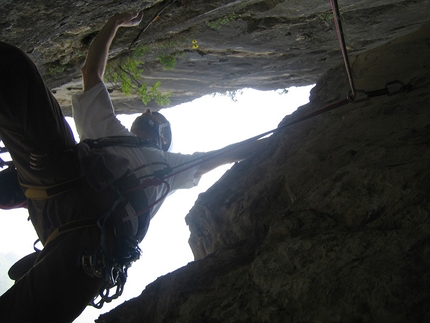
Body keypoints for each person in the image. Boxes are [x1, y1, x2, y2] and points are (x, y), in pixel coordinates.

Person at [0, 11, 266, 323]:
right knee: (12, 68)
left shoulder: (172, 164)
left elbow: (224, 154)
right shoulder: (111, 130)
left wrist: (280, 136)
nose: (150, 108)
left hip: (96, 232)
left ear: (162, 136)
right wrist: (111, 25)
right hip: (62, 182)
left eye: (156, 116)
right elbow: (92, 72)